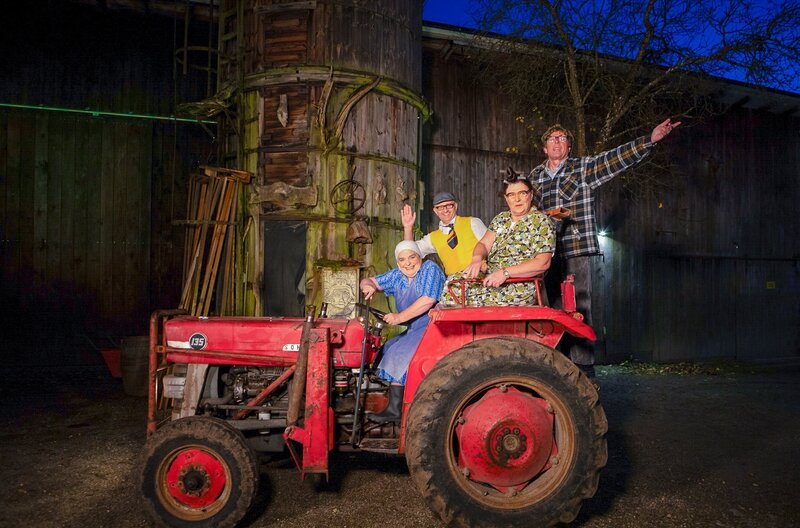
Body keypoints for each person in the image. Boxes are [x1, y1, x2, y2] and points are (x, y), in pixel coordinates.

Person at [528, 118, 681, 377]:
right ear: (545, 148)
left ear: (568, 146)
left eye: (562, 138)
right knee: (551, 309)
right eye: (552, 139)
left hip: (576, 248)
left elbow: (615, 158)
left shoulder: (582, 168)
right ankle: (557, 366)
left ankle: (584, 369)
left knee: (579, 308)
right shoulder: (534, 177)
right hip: (546, 254)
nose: (557, 142)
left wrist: (649, 140)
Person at [359, 240, 445, 423]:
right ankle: (391, 401)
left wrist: (399, 317)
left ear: (419, 257)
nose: (408, 263)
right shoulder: (398, 275)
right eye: (402, 259)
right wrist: (368, 286)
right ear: (398, 262)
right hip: (414, 328)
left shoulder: (430, 270)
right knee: (387, 347)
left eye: (412, 257)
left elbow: (428, 300)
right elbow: (370, 280)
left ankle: (396, 410)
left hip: (433, 327)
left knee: (399, 353)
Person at [444, 174, 555, 306]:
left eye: (522, 193)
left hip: (517, 286)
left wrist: (505, 273)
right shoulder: (501, 219)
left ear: (530, 195)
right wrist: (477, 259)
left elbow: (542, 263)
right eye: (511, 195)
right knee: (452, 284)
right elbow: (483, 244)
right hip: (490, 278)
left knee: (467, 300)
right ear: (506, 198)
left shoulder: (541, 222)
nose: (517, 199)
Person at [401, 192, 487, 276]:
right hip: (454, 282)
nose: (445, 210)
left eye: (449, 205)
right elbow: (410, 251)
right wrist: (408, 228)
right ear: (435, 211)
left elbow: (491, 245)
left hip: (479, 277)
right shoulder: (433, 237)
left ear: (455, 206)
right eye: (440, 207)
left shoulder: (473, 223)